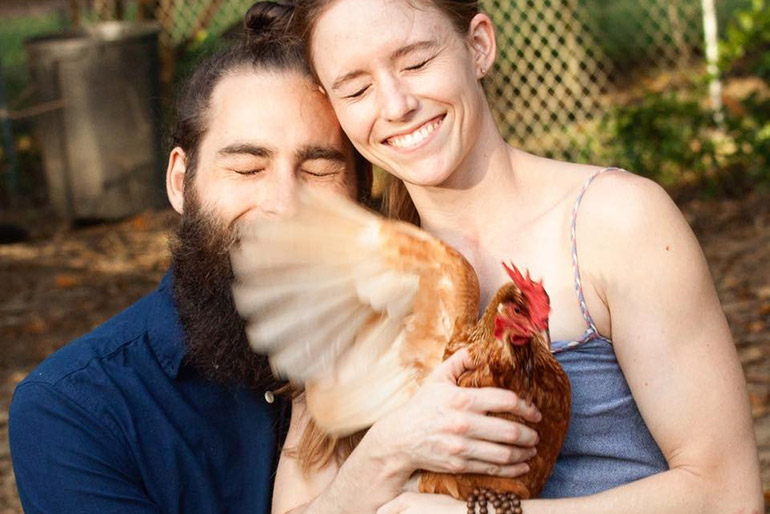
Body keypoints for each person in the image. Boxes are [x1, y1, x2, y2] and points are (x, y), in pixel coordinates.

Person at [265, 0, 764, 512]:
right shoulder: (350, 277)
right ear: (335, 107)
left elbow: (729, 494)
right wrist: (384, 456)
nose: (395, 104)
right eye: (357, 89)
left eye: (415, 63)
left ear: (478, 46)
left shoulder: (614, 222)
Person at [7, 7, 369, 513]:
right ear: (181, 181)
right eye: (247, 167)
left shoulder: (405, 354)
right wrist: (378, 470)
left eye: (317, 169)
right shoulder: (75, 409)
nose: (285, 205)